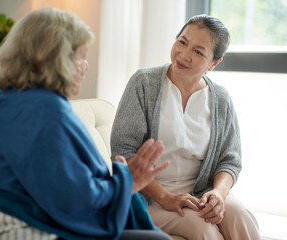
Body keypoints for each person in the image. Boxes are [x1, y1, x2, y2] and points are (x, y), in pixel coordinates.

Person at [0, 8, 172, 240]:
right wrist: (128, 179)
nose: (86, 66)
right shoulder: (46, 110)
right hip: (22, 226)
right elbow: (75, 201)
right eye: (82, 56)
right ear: (58, 59)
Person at [111, 14, 260, 240]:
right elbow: (123, 152)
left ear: (214, 63)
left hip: (199, 194)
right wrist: (165, 197)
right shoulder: (144, 83)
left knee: (241, 217)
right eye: (182, 42)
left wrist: (218, 194)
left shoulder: (220, 98)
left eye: (198, 52)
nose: (184, 55)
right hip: (150, 196)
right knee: (203, 228)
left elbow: (230, 160)